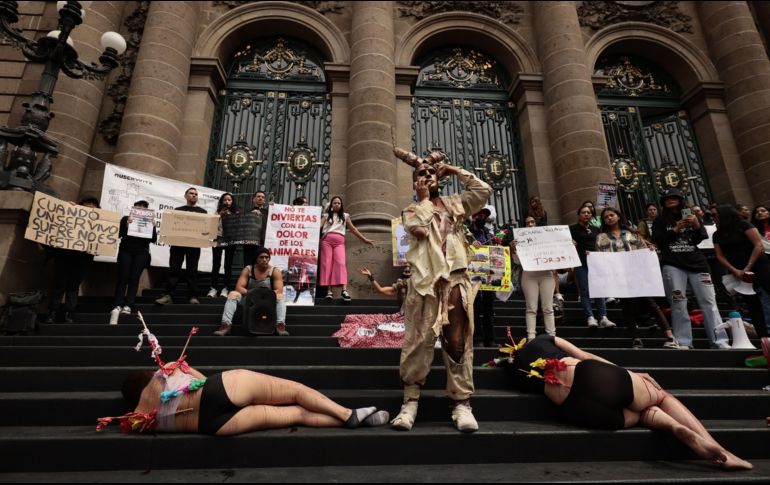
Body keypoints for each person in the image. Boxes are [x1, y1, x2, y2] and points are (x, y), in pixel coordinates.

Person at [499, 335, 752, 470]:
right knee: (660, 396)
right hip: (591, 376)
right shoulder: (542, 340)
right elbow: (585, 356)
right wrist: (631, 374)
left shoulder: (517, 376)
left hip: (577, 409)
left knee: (643, 414)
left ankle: (673, 427)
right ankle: (722, 451)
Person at [390, 145, 492, 433]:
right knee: (417, 342)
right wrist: (423, 199)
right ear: (415, 182)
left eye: (432, 172)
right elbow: (419, 227)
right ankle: (410, 402)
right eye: (421, 173)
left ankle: (461, 402)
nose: (427, 176)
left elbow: (483, 190)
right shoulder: (411, 209)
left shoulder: (455, 203)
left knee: (458, 341)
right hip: (424, 284)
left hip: (455, 280)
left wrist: (456, 170)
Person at [116, 363, 389, 435]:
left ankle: (355, 420)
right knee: (295, 391)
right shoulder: (163, 372)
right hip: (219, 389)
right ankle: (347, 414)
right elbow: (196, 378)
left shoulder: (138, 420)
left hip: (214, 426)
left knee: (296, 414)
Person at [652, 188, 731, 349]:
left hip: (697, 263)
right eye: (667, 198)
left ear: (681, 199)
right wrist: (675, 229)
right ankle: (683, 341)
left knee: (709, 303)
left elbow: (700, 238)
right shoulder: (660, 220)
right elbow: (657, 240)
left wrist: (696, 225)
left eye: (673, 197)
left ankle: (719, 341)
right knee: (678, 303)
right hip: (673, 264)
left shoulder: (690, 215)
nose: (670, 200)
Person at [595, 207, 675, 349]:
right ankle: (635, 338)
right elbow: (600, 257)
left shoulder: (632, 234)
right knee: (627, 307)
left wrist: (649, 251)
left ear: (618, 216)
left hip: (637, 273)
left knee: (651, 303)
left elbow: (643, 249)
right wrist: (592, 256)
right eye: (606, 217)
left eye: (612, 215)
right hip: (619, 276)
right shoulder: (601, 237)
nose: (609, 218)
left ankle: (669, 336)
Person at [712, 204, 770, 337]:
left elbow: (758, 245)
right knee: (752, 305)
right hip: (739, 272)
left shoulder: (743, 225)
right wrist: (735, 270)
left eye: (715, 215)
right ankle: (764, 340)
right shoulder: (717, 234)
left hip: (759, 266)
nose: (713, 218)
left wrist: (748, 267)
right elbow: (719, 255)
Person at [45, 196, 101, 324]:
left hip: (82, 260)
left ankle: (69, 313)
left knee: (73, 287)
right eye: (88, 203)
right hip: (64, 256)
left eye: (93, 204)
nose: (90, 206)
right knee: (59, 285)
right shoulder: (70, 213)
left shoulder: (99, 222)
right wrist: (67, 208)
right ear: (82, 204)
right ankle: (51, 313)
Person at [214, 247, 289, 336]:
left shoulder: (275, 271)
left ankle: (280, 326)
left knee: (280, 296)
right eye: (261, 257)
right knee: (233, 294)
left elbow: (279, 290)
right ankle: (226, 325)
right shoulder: (248, 269)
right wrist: (254, 295)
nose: (264, 260)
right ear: (256, 259)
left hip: (268, 301)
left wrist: (263, 296)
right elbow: (239, 287)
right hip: (250, 300)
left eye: (266, 257)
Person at [333, 266, 411, 348]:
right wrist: (370, 276)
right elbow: (381, 289)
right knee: (377, 327)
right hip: (402, 317)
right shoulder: (400, 287)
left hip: (413, 320)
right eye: (405, 271)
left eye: (409, 272)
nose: (407, 273)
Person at [155, 188, 208, 305]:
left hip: (194, 245)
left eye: (196, 194)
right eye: (191, 193)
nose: (194, 196)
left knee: (192, 271)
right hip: (177, 244)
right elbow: (171, 227)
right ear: (185, 196)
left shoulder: (203, 212)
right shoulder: (177, 211)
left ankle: (193, 296)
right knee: (174, 269)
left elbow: (206, 230)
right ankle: (168, 295)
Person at [319, 196, 375, 302]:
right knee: (327, 264)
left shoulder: (345, 216)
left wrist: (364, 239)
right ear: (331, 205)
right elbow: (318, 226)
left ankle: (344, 290)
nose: (337, 204)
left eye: (339, 203)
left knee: (340, 263)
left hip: (339, 242)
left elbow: (353, 229)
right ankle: (329, 291)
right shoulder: (326, 216)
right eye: (335, 203)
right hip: (326, 241)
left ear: (341, 205)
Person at [110, 200, 157, 324]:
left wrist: (152, 226)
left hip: (141, 252)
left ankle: (128, 305)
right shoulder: (125, 218)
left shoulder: (150, 221)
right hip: (126, 250)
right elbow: (119, 234)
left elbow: (153, 239)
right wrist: (127, 224)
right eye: (139, 206)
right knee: (122, 277)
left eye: (144, 207)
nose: (141, 208)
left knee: (134, 278)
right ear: (134, 208)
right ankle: (117, 304)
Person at [570, 204, 617, 329]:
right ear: (579, 215)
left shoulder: (596, 229)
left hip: (596, 263)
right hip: (581, 263)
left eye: (589, 213)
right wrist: (571, 243)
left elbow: (602, 244)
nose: (586, 214)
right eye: (584, 212)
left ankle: (603, 317)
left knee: (599, 289)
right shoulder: (572, 229)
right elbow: (566, 246)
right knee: (585, 290)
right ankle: (590, 317)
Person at [510, 216, 556, 341]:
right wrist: (514, 250)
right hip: (529, 275)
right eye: (527, 222)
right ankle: (531, 337)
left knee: (548, 307)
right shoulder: (521, 240)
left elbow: (557, 253)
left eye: (532, 222)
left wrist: (569, 246)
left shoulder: (548, 239)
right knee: (531, 308)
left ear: (537, 224)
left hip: (546, 274)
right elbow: (518, 262)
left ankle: (552, 336)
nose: (530, 224)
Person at [468, 205, 498, 347]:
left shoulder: (489, 235)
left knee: (488, 307)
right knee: (474, 306)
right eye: (478, 215)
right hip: (471, 275)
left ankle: (490, 338)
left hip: (488, 276)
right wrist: (470, 244)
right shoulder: (466, 233)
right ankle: (477, 338)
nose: (481, 218)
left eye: (484, 216)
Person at [207, 193, 239, 299]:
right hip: (218, 239)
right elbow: (211, 227)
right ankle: (213, 288)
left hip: (230, 240)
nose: (227, 202)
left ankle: (226, 288)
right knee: (216, 264)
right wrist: (219, 216)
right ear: (222, 202)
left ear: (232, 202)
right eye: (225, 200)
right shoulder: (217, 213)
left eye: (229, 200)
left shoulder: (236, 213)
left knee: (228, 265)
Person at [243, 191, 269, 267]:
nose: (260, 198)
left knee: (260, 262)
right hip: (249, 241)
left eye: (262, 197)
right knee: (248, 263)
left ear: (264, 201)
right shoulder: (247, 211)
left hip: (262, 241)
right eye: (258, 196)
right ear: (254, 199)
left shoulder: (268, 213)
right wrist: (251, 214)